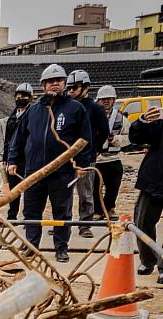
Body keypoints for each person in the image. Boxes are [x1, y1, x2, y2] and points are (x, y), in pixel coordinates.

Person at [8, 64, 93, 263]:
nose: (54, 84)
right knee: (31, 211)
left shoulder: (75, 109)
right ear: (43, 85)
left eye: (58, 81)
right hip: (34, 172)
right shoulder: (34, 111)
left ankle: (61, 248)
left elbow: (86, 138)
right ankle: (31, 246)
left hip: (62, 172)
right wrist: (13, 160)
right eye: (50, 81)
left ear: (64, 83)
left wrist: (82, 164)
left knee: (62, 212)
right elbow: (19, 138)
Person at [66, 70, 109, 238]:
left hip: (86, 158)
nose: (71, 91)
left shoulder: (95, 108)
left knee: (86, 193)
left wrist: (94, 149)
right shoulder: (66, 106)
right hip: (66, 158)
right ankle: (63, 223)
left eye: (75, 88)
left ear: (85, 88)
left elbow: (103, 131)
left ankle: (85, 225)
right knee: (63, 193)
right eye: (69, 88)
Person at [129, 105, 163, 283]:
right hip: (154, 179)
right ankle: (148, 260)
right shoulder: (160, 121)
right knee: (142, 222)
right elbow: (137, 138)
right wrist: (142, 121)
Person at [95, 85, 129, 221]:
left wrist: (114, 139)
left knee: (113, 188)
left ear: (114, 100)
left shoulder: (121, 119)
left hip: (113, 159)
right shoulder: (92, 116)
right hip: (97, 159)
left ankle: (109, 209)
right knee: (95, 188)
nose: (106, 101)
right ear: (98, 100)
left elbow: (129, 138)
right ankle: (97, 211)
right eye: (103, 99)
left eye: (109, 99)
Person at [1, 83, 34, 220]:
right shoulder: (12, 117)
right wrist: (6, 157)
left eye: (24, 96)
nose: (20, 98)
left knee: (29, 189)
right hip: (14, 159)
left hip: (28, 158)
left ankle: (29, 218)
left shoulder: (32, 115)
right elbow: (7, 139)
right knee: (14, 189)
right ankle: (12, 216)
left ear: (30, 98)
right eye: (18, 95)